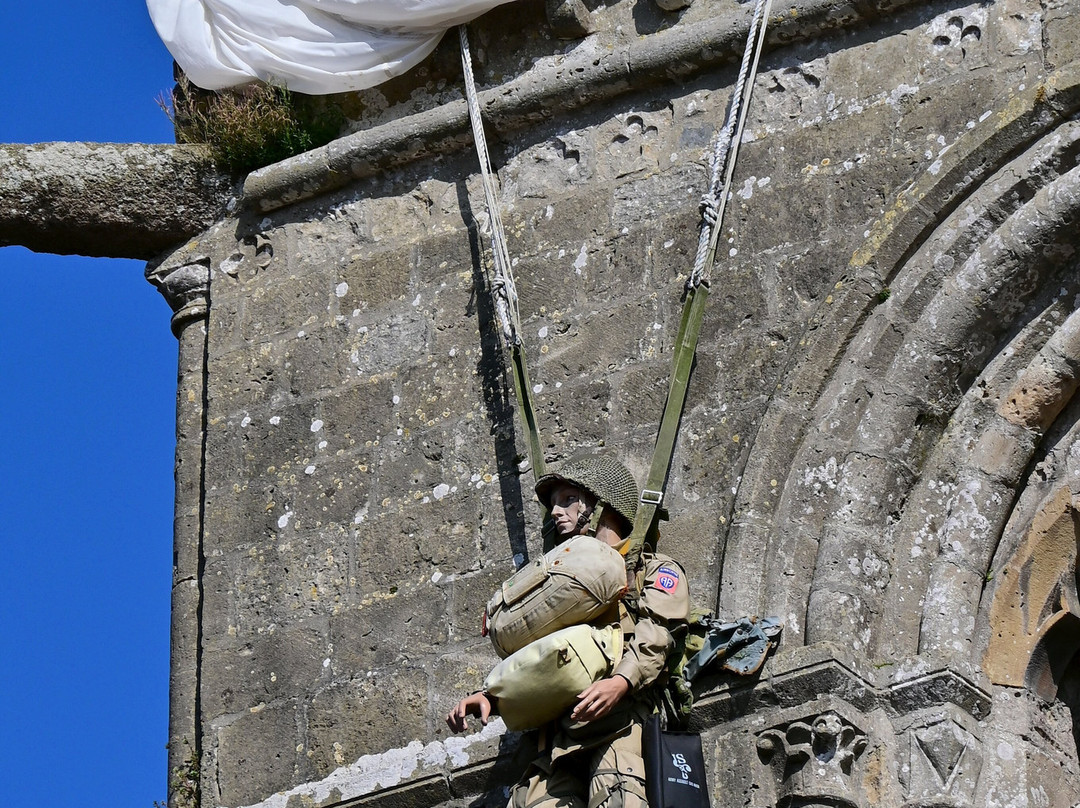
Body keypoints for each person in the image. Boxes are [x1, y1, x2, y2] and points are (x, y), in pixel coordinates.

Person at [446, 457, 691, 808]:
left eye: (568, 500)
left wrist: (620, 682)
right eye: (554, 504)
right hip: (555, 740)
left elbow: (658, 634)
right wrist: (491, 698)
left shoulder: (651, 570)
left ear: (603, 505)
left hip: (622, 723)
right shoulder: (559, 588)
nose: (556, 512)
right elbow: (542, 658)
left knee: (618, 797)